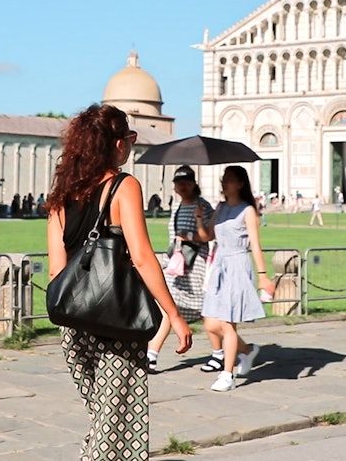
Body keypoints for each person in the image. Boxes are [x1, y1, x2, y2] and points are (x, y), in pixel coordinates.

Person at [46, 104, 192, 459]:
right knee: (117, 424)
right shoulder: (124, 186)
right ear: (114, 144)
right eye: (129, 138)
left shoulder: (62, 192)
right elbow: (142, 257)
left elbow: (56, 269)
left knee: (104, 418)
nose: (131, 145)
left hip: (73, 322)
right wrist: (173, 315)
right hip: (116, 319)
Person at [195, 165, 276, 392]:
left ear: (240, 184)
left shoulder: (247, 211)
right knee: (211, 323)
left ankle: (227, 374)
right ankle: (248, 351)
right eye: (224, 179)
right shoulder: (220, 208)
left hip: (238, 265)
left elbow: (255, 245)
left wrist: (263, 276)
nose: (224, 183)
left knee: (227, 323)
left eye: (229, 179)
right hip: (219, 264)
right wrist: (201, 219)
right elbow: (207, 236)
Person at [146, 165, 214, 374]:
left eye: (186, 183)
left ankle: (231, 350)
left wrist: (192, 233)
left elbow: (208, 236)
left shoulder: (203, 206)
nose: (182, 187)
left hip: (195, 266)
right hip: (176, 264)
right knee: (169, 307)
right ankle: (151, 355)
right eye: (178, 184)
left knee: (208, 313)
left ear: (194, 184)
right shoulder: (176, 206)